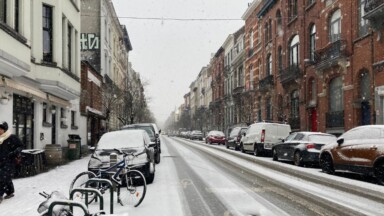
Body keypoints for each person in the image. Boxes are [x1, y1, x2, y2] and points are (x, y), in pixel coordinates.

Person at [0, 121, 23, 203]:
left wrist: (14, 153)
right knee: (6, 177)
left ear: (5, 129)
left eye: (1, 129)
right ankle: (10, 191)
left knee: (3, 177)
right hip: (0, 162)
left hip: (9, 161)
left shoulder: (11, 137)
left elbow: (20, 146)